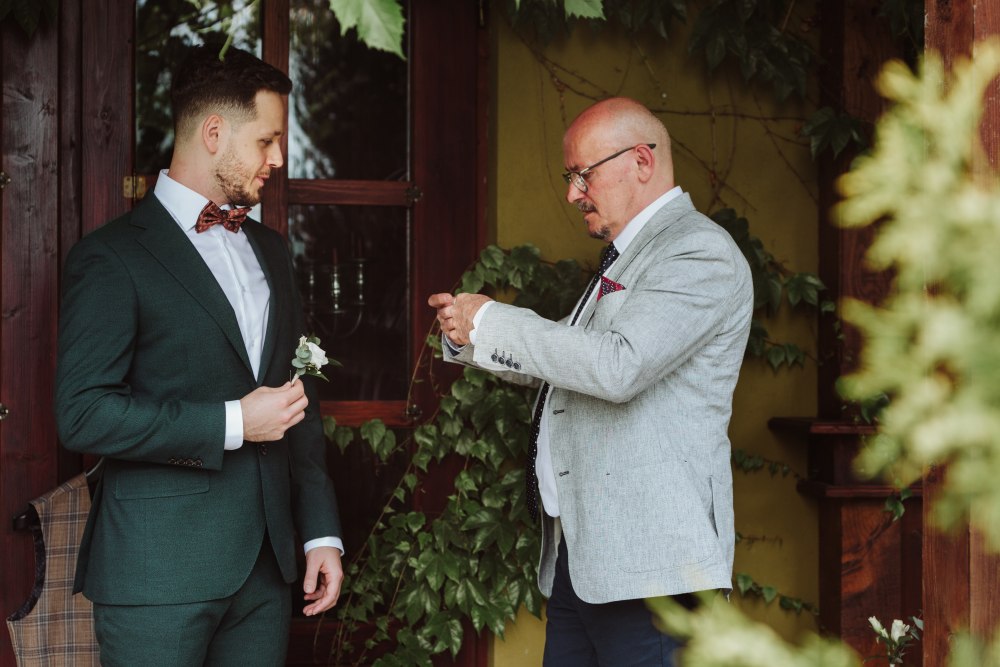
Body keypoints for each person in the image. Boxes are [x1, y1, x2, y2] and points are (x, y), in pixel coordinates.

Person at [429, 97, 753, 666]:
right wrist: (471, 336)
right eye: (570, 177)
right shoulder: (628, 255)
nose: (573, 193)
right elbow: (570, 359)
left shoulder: (697, 251)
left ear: (642, 161)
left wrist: (493, 319)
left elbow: (616, 366)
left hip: (652, 571)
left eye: (584, 174)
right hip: (587, 560)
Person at [54, 45, 344, 666]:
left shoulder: (272, 250)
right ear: (214, 133)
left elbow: (300, 400)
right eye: (267, 140)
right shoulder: (111, 257)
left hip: (266, 573)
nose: (278, 158)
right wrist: (234, 422)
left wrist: (320, 531)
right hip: (156, 575)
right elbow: (82, 414)